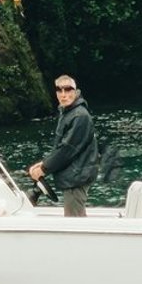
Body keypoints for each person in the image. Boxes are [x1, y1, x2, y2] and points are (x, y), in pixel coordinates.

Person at [29, 73, 100, 217]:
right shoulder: (67, 112)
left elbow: (68, 150)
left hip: (77, 177)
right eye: (60, 90)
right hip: (74, 176)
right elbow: (62, 147)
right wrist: (44, 163)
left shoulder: (80, 116)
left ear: (75, 91)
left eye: (68, 90)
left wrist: (44, 168)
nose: (64, 94)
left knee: (75, 222)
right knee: (74, 217)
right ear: (56, 93)